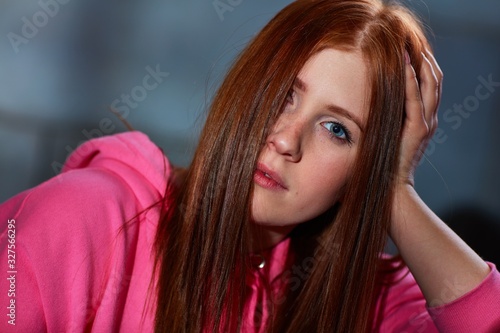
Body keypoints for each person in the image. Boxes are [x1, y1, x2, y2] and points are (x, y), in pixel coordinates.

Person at [1, 0, 499, 332]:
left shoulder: (361, 297)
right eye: (285, 95)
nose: (285, 140)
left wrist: (392, 185)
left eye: (337, 129)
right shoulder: (84, 217)